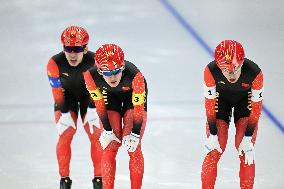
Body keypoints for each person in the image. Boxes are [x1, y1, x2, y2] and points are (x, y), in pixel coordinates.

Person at [83, 43, 147, 189]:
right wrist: (107, 130)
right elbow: (99, 104)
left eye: (116, 71)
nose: (112, 77)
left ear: (123, 67)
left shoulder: (136, 76)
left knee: (133, 147)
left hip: (132, 99)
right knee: (110, 145)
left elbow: (138, 108)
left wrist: (135, 135)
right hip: (109, 97)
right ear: (99, 72)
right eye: (107, 73)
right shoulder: (90, 76)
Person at [201, 40, 264, 189]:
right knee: (214, 150)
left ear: (242, 64)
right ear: (219, 67)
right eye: (227, 71)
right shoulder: (210, 71)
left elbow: (256, 108)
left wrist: (248, 138)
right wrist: (213, 135)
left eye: (236, 70)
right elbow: (209, 106)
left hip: (245, 101)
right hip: (221, 100)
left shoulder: (255, 73)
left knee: (246, 152)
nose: (232, 75)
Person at [47, 26, 103, 189]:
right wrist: (64, 112)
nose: (72, 54)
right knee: (65, 134)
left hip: (90, 98)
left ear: (85, 49)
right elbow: (57, 93)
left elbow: (98, 90)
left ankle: (99, 180)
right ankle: (64, 180)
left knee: (95, 134)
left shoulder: (95, 61)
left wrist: (93, 108)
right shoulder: (54, 63)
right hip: (66, 99)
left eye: (76, 49)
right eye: (68, 48)